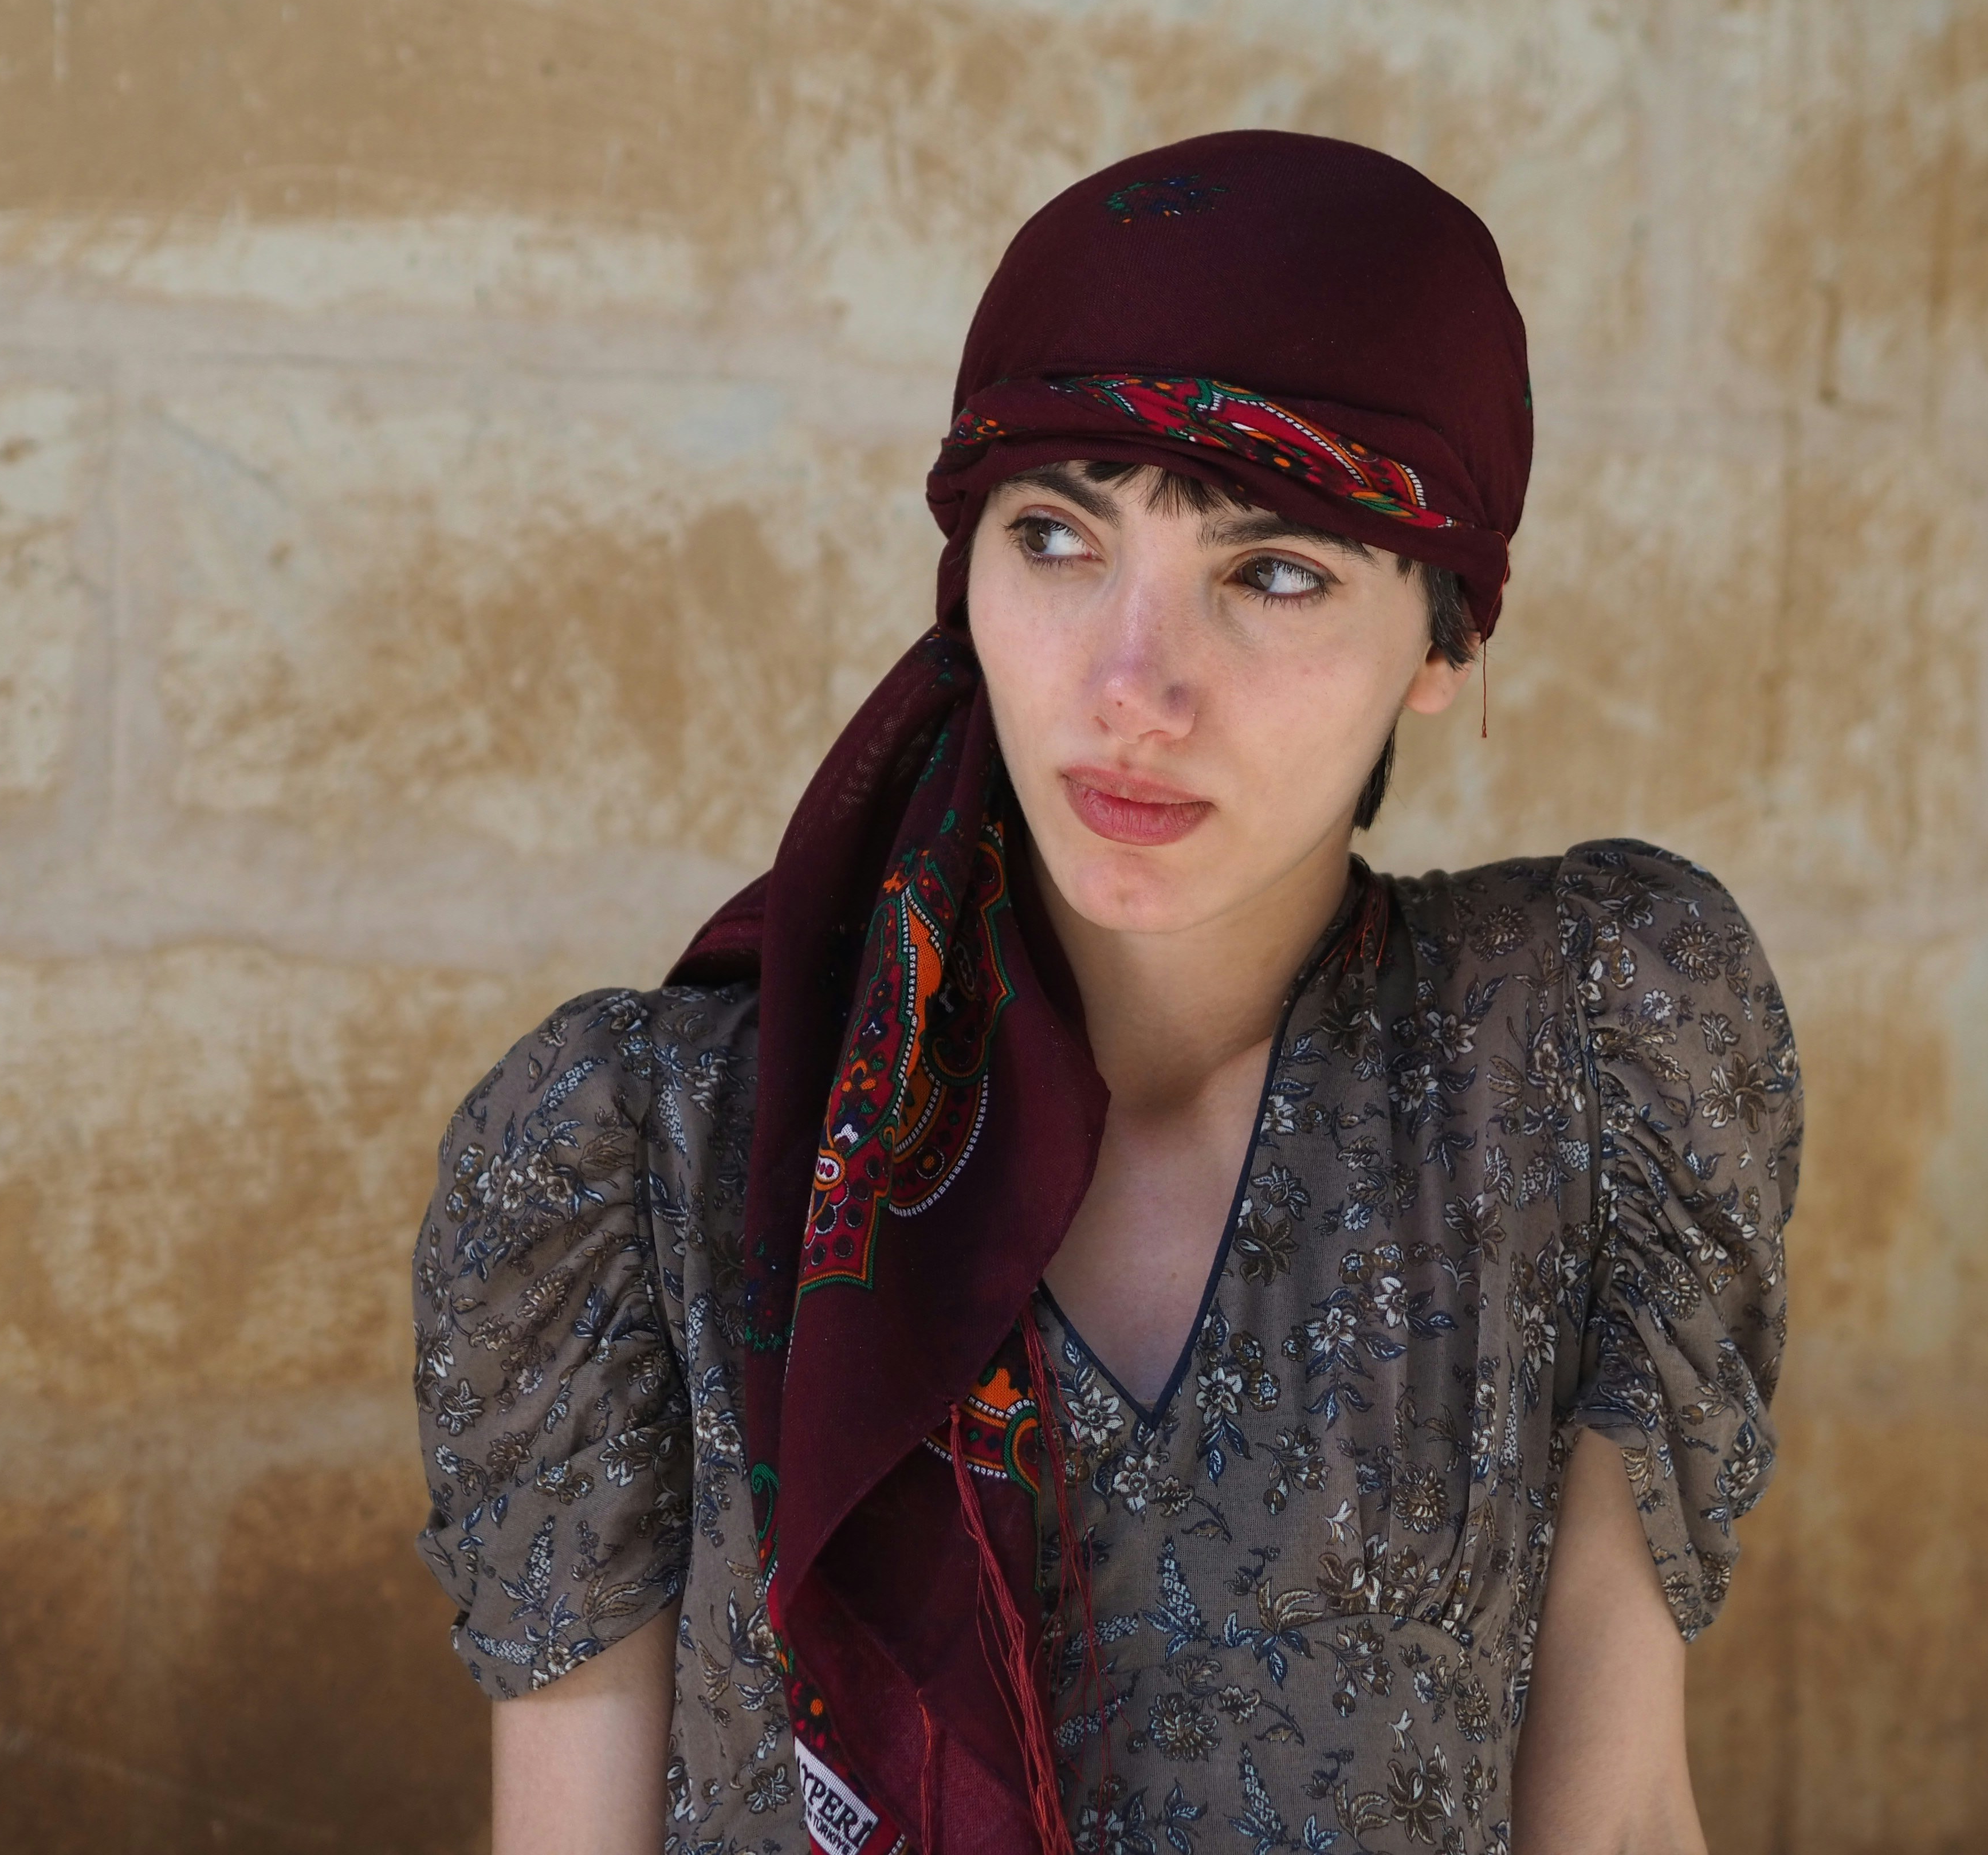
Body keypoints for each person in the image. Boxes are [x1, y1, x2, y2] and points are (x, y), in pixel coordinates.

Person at [412, 131, 1801, 1855]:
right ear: (969, 577)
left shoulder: (1580, 1059)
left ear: (1446, 642)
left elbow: (1618, 1813)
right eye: (1058, 537)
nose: (1133, 686)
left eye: (1273, 572)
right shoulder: (634, 1157)